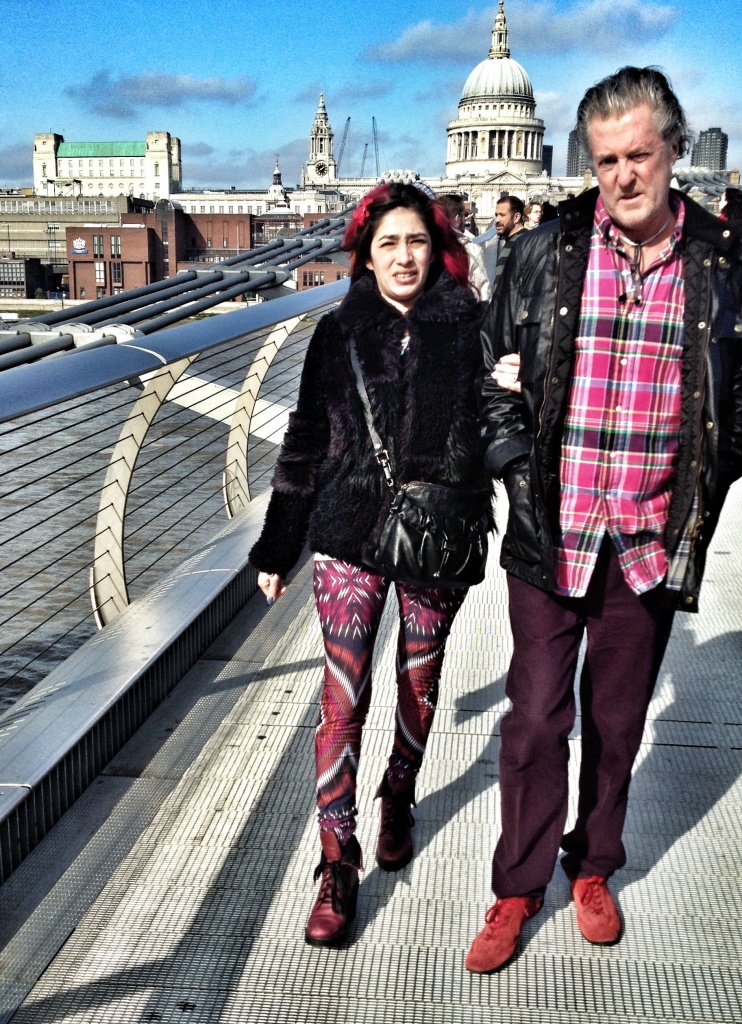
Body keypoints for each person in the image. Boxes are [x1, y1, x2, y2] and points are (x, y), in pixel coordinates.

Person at [466, 66, 742, 974]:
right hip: (551, 527)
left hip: (648, 531)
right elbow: (491, 371)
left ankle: (592, 866)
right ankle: (517, 888)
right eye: (606, 161)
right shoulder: (545, 251)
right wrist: (516, 467)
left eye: (640, 154)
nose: (624, 175)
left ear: (674, 149)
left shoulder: (726, 266)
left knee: (619, 720)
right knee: (533, 720)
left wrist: (708, 478)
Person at [249, 182, 496, 947]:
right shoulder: (337, 333)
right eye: (387, 243)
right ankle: (336, 861)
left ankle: (400, 793)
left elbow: (498, 420)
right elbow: (304, 441)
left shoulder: (473, 329)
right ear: (365, 253)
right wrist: (278, 544)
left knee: (419, 682)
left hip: (436, 532)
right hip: (349, 531)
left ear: (438, 249)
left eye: (415, 242)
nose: (403, 257)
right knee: (342, 695)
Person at [438, 192, 492, 300]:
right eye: (464, 215)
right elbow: (482, 289)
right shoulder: (470, 249)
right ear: (458, 218)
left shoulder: (425, 246)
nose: (465, 219)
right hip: (462, 311)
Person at [493, 195, 526, 289]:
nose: (497, 220)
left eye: (502, 215)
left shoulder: (525, 241)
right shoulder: (509, 241)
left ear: (516, 217)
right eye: (496, 215)